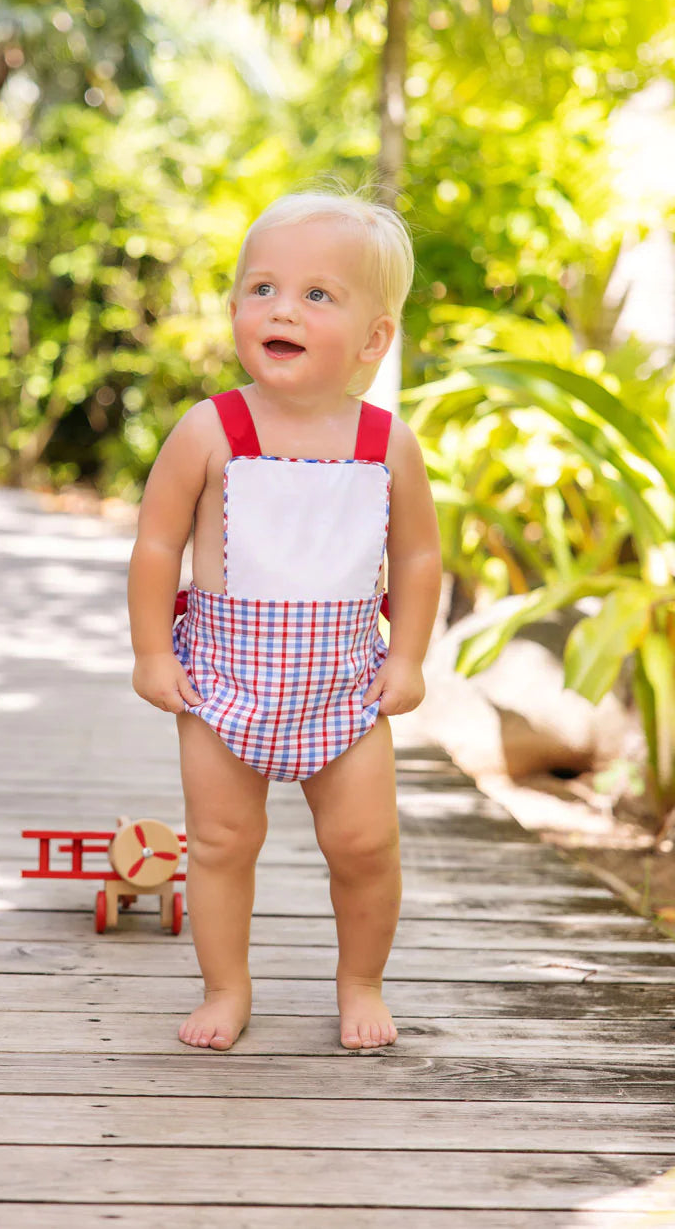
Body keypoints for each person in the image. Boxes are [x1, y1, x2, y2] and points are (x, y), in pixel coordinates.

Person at [127, 189, 443, 1053]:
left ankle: (361, 979)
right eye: (261, 288)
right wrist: (152, 651)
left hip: (344, 688)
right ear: (235, 307)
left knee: (366, 844)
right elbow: (157, 544)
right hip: (223, 684)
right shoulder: (210, 429)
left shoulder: (386, 443)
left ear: (374, 339)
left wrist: (408, 658)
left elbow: (418, 558)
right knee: (222, 842)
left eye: (317, 295)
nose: (282, 310)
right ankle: (226, 987)